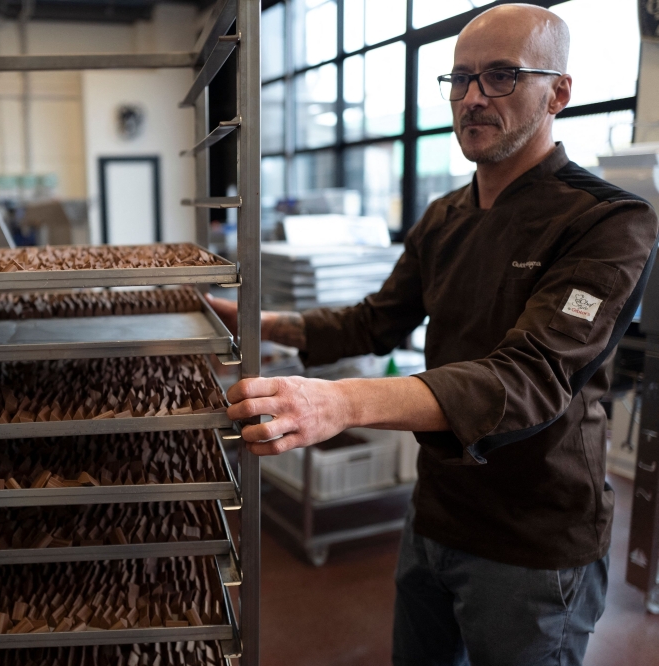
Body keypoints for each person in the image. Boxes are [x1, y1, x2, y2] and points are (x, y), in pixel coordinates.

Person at [207, 4, 659, 665]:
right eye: (460, 79)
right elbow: (374, 319)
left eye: (502, 76)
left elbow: (527, 376)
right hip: (435, 513)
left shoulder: (608, 222)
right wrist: (262, 324)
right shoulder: (445, 215)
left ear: (560, 91)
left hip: (534, 538)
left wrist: (342, 403)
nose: (472, 98)